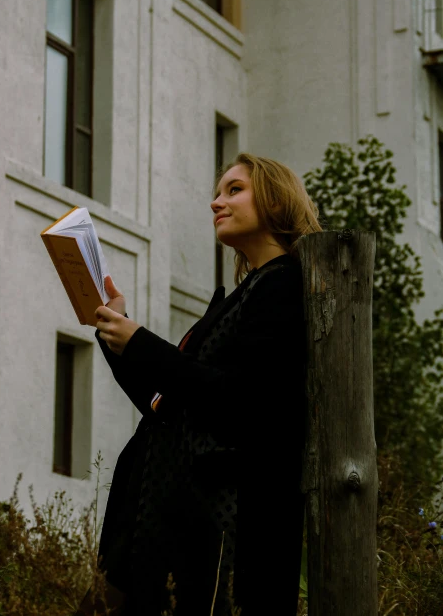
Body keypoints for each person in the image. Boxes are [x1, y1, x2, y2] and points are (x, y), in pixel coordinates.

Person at [75, 152, 323, 616]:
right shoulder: (244, 294)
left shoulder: (283, 285)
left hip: (220, 530)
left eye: (234, 190)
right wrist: (120, 337)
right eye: (217, 192)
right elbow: (167, 405)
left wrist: (142, 343)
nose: (216, 202)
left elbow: (241, 400)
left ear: (274, 199)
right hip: (160, 522)